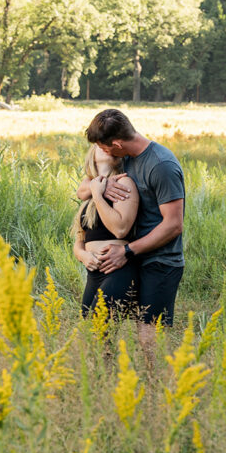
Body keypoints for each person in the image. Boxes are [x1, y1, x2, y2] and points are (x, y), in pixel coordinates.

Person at [77, 109, 185, 354]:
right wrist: (100, 188)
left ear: (116, 144)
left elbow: (173, 224)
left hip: (160, 261)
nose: (102, 153)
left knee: (148, 338)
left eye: (103, 148)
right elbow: (83, 187)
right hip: (130, 259)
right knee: (99, 326)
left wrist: (127, 250)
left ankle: (158, 388)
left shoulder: (161, 165)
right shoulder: (123, 157)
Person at [72, 144, 139, 318]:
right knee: (90, 334)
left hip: (117, 269)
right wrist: (83, 256)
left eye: (109, 144)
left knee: (98, 329)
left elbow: (120, 230)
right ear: (92, 154)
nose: (104, 146)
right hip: (93, 272)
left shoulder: (123, 182)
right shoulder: (90, 188)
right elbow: (80, 239)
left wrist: (97, 194)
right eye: (99, 144)